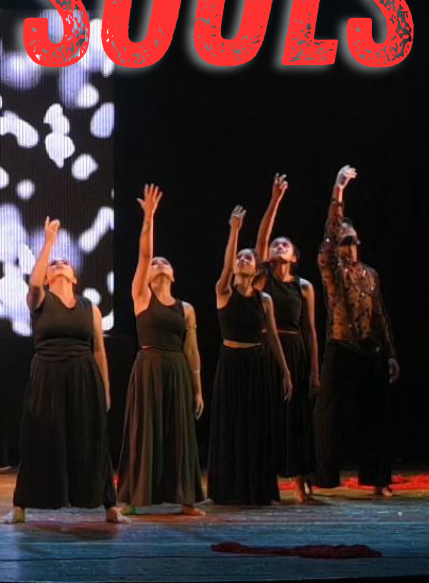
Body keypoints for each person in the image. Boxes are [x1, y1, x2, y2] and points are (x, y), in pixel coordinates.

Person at [4, 217, 127, 525]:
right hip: (47, 375)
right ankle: (21, 506)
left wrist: (105, 389)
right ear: (47, 277)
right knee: (39, 437)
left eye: (65, 263)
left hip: (84, 377)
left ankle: (109, 506)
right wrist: (48, 242)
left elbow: (99, 350)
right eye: (53, 265)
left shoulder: (90, 307)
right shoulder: (39, 299)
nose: (59, 265)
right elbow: (33, 283)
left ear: (75, 277)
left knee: (91, 439)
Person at [116, 185, 206, 516]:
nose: (158, 264)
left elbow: (192, 352)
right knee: (145, 431)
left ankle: (186, 500)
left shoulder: (186, 309)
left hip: (177, 368)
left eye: (164, 262)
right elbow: (143, 254)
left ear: (173, 274)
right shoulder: (141, 297)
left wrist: (197, 388)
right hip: (149, 366)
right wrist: (149, 218)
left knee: (180, 433)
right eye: (156, 263)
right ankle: (134, 498)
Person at [314, 165, 399, 497]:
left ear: (357, 242)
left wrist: (390, 354)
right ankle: (324, 477)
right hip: (340, 345)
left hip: (369, 347)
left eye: (349, 240)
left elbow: (380, 316)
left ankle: (378, 478)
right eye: (341, 241)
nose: (345, 245)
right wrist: (338, 190)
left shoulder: (370, 274)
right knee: (329, 414)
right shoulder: (332, 270)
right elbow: (330, 232)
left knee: (375, 415)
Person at [207, 206, 293, 506]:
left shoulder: (264, 299)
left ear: (257, 268)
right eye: (239, 257)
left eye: (248, 258)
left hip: (257, 365)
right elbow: (225, 267)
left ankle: (258, 489)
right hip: (231, 365)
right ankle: (228, 489)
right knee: (231, 426)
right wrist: (234, 231)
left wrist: (285, 372)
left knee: (256, 428)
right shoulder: (223, 291)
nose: (243, 260)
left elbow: (272, 338)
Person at [255, 173, 320, 502]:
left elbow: (310, 330)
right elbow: (261, 238)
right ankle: (267, 480)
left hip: (296, 350)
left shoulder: (304, 287)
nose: (279, 246)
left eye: (285, 245)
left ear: (295, 256)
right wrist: (275, 199)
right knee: (270, 415)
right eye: (276, 245)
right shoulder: (263, 278)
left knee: (298, 417)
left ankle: (301, 481)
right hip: (268, 350)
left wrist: (315, 370)